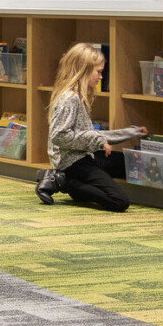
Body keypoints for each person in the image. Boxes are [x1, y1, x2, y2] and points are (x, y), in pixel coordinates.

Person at [37, 42, 146, 209]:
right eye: (99, 72)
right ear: (84, 70)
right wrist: (95, 140)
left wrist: (132, 132)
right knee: (119, 201)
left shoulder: (79, 97)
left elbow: (92, 136)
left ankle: (76, 184)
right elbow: (59, 136)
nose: (101, 77)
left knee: (133, 164)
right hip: (72, 163)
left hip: (86, 155)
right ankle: (65, 182)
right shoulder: (69, 99)